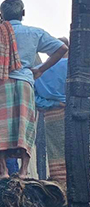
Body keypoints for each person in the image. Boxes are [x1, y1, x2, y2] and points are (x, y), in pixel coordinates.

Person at [0, 0, 68, 179]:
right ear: (23, 13)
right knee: (24, 124)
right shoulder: (34, 33)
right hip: (24, 82)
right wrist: (40, 69)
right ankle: (24, 171)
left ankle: (3, 171)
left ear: (0, 15)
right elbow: (61, 48)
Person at [35, 37, 69, 184]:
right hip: (76, 113)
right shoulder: (74, 66)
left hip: (52, 116)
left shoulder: (40, 71)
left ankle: (62, 187)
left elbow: (34, 99)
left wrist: (54, 102)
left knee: (56, 152)